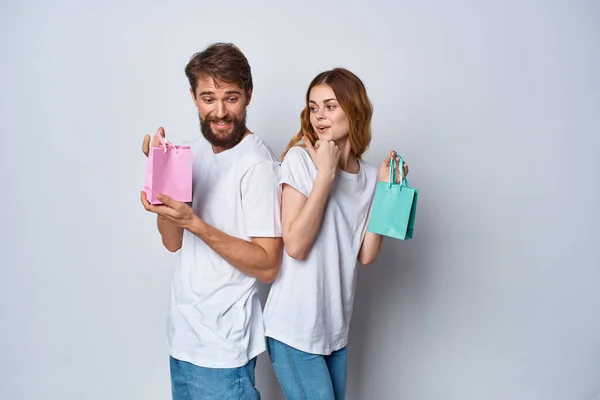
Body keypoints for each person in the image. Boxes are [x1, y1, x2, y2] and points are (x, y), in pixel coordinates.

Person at [140, 43, 283, 400]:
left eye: (231, 98)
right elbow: (172, 241)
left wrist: (196, 223)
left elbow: (268, 264)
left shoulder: (257, 164)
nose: (219, 112)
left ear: (249, 95)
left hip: (224, 349)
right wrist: (160, 179)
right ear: (193, 97)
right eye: (208, 98)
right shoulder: (188, 151)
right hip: (183, 338)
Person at [262, 67, 409, 399]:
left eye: (330, 106)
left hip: (334, 331)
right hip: (293, 329)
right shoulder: (300, 161)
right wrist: (325, 173)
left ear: (353, 110)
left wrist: (388, 192)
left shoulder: (369, 177)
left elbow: (367, 254)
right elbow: (296, 245)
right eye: (313, 107)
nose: (319, 116)